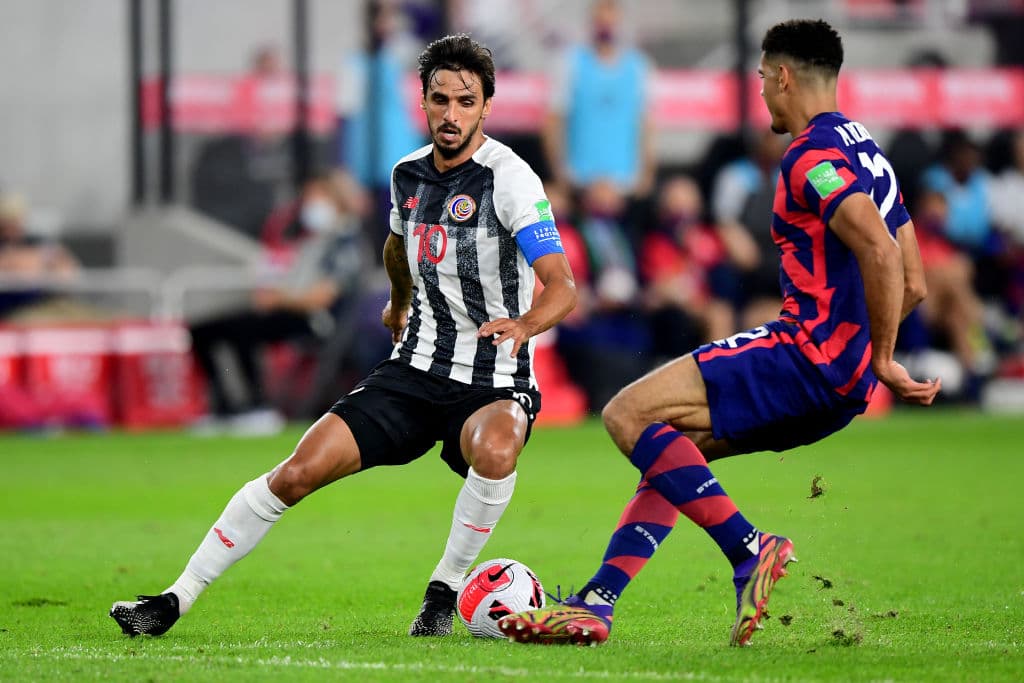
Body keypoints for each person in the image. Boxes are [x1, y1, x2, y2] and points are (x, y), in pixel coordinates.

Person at [110, 34, 577, 639]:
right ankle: (173, 601)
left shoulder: (511, 180)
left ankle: (442, 593)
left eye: (466, 101)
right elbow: (395, 243)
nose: (452, 114)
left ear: (487, 104)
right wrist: (400, 301)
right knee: (298, 471)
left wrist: (526, 324)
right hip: (414, 369)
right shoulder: (406, 176)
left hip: (493, 377)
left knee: (495, 448)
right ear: (424, 101)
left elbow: (562, 285)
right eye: (441, 100)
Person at [499, 18, 940, 647]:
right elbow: (915, 278)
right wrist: (872, 355)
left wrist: (887, 358)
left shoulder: (813, 155)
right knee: (673, 448)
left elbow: (873, 244)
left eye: (762, 77)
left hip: (806, 355)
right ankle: (597, 603)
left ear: (783, 75)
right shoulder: (866, 148)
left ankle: (750, 550)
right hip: (841, 384)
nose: (760, 92)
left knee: (627, 414)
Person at [188, 170, 371, 436]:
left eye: (316, 197)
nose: (309, 204)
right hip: (286, 308)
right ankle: (224, 408)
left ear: (336, 201)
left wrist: (278, 298)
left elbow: (321, 297)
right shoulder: (313, 241)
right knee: (204, 331)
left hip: (314, 320)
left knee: (244, 332)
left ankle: (255, 406)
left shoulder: (345, 244)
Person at [542, 0, 655, 199]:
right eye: (600, 20)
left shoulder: (638, 66)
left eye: (610, 20)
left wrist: (646, 174)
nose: (606, 26)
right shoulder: (570, 63)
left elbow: (646, 124)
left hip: (625, 186)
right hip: (581, 183)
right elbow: (553, 122)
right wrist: (560, 176)